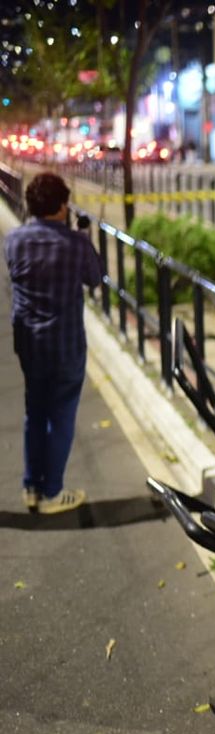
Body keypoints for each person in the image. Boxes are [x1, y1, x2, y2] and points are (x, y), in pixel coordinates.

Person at [4, 172, 103, 514]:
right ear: (62, 207)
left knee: (35, 412)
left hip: (29, 342)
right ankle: (52, 493)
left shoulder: (14, 240)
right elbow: (95, 279)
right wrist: (84, 235)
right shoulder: (76, 244)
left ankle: (31, 487)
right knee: (61, 417)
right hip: (65, 343)